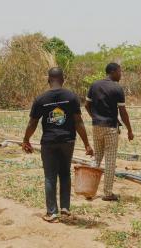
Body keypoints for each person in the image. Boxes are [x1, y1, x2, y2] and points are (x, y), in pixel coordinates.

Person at [22, 67, 94, 223]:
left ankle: (52, 213)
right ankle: (65, 208)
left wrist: (26, 139)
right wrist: (87, 144)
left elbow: (32, 123)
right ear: (63, 79)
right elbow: (78, 122)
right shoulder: (71, 97)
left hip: (49, 142)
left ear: (49, 80)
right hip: (68, 141)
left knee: (50, 177)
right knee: (65, 174)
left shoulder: (41, 99)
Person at [85, 62, 134, 201]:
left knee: (97, 157)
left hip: (96, 127)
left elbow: (87, 105)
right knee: (110, 161)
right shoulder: (117, 88)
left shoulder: (94, 85)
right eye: (119, 71)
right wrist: (130, 130)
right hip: (110, 128)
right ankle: (107, 193)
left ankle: (88, 190)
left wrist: (94, 117)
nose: (121, 74)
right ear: (112, 72)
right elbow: (123, 112)